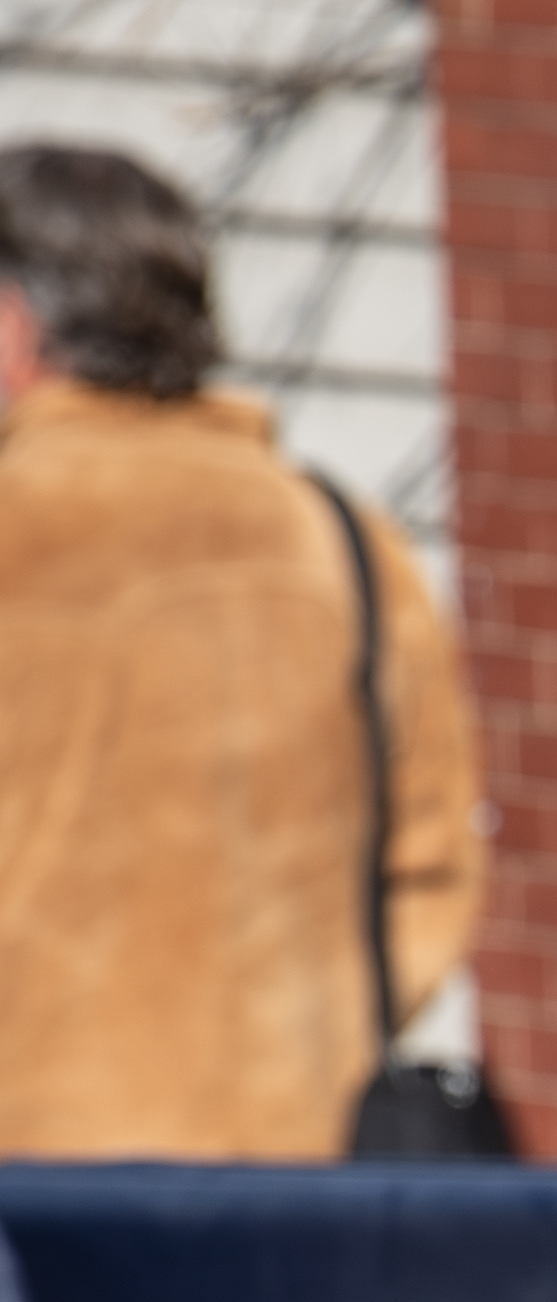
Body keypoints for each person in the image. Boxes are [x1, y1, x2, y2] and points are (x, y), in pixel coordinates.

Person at [0, 144, 483, 1159]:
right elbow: (432, 872)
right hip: (284, 1201)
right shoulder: (343, 541)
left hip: (30, 1209)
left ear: (15, 328)